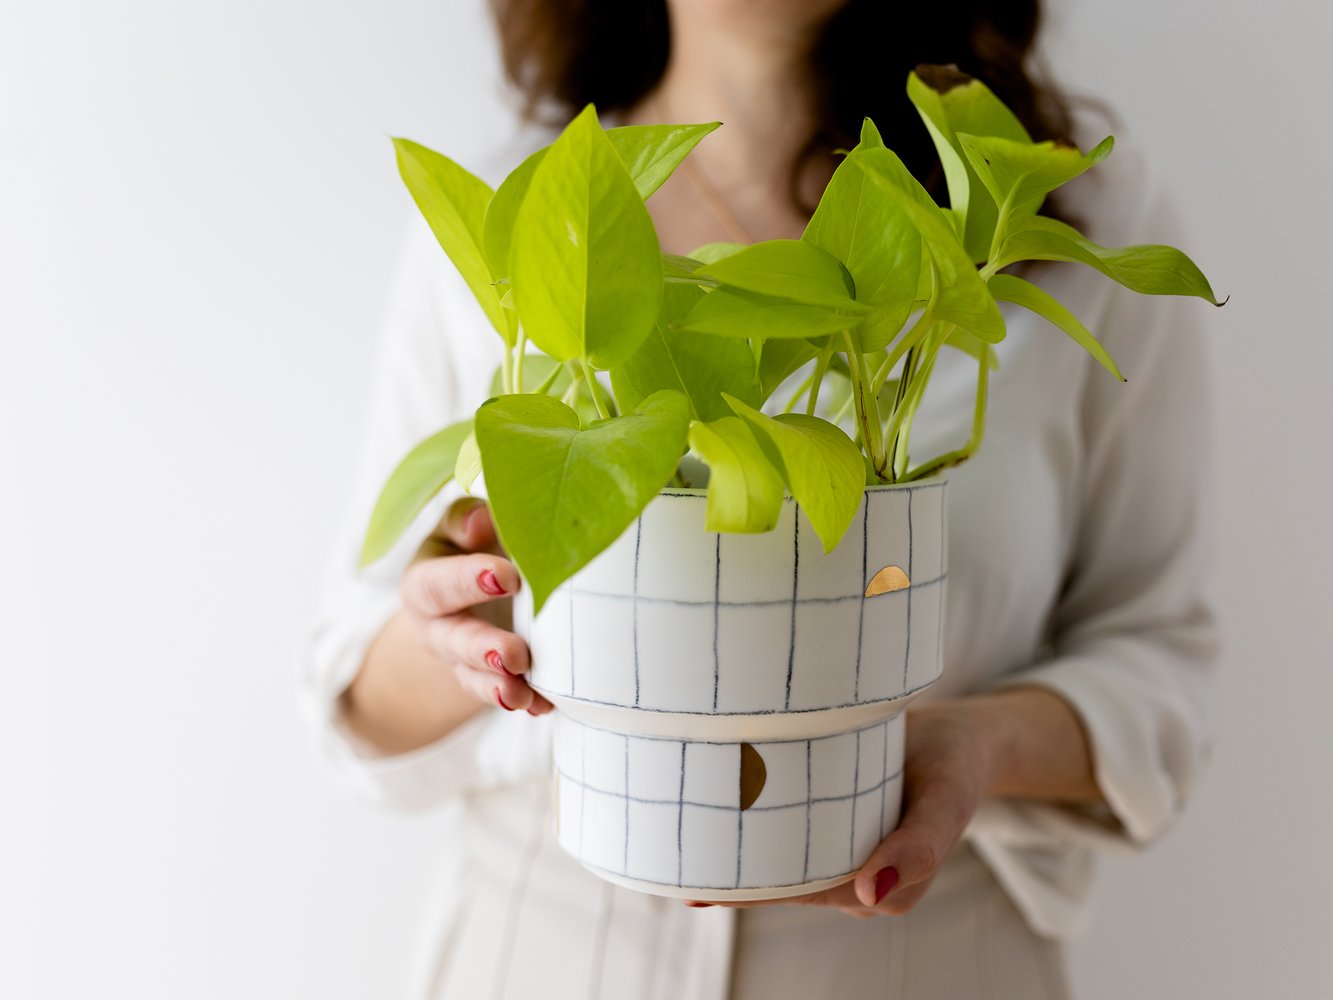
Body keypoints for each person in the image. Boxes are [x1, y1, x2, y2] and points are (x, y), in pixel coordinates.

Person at [304, 1, 1218, 997]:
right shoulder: (527, 216)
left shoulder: (1063, 217)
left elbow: (1161, 662)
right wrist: (466, 637)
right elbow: (352, 705)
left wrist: (977, 745)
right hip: (549, 941)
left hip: (918, 951)